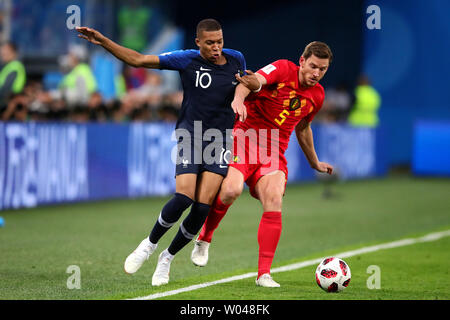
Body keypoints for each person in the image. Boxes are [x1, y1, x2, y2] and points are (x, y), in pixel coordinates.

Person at [76, 19, 247, 286]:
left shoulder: (236, 59)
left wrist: (244, 94)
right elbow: (138, 60)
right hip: (191, 135)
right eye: (210, 43)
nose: (217, 47)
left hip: (220, 140)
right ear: (198, 42)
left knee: (202, 207)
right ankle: (149, 245)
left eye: (220, 41)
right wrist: (104, 42)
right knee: (183, 199)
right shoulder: (186, 60)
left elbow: (247, 85)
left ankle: (166, 258)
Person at [191, 41, 334, 287]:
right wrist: (239, 99)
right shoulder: (282, 68)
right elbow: (252, 81)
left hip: (273, 152)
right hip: (244, 139)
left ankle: (263, 274)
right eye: (313, 66)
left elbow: (303, 127)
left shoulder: (317, 96)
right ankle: (205, 238)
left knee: (274, 199)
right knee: (231, 190)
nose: (316, 73)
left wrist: (315, 162)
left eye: (322, 69)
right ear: (302, 60)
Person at [0, 42, 26, 111]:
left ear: (13, 52)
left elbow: (6, 88)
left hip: (7, 99)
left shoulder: (15, 66)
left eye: (5, 52)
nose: (2, 54)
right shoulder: (7, 66)